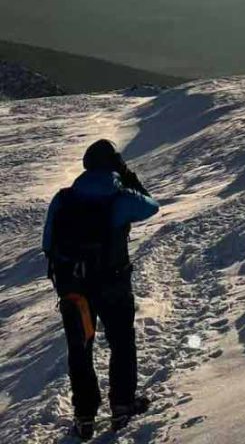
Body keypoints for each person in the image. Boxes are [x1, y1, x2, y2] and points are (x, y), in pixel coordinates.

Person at [42, 139, 159, 441]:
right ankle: (121, 405)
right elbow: (151, 205)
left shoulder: (63, 198)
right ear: (113, 165)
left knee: (80, 349)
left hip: (74, 291)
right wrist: (127, 174)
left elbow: (47, 243)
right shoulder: (120, 199)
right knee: (121, 342)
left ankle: (84, 416)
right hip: (113, 285)